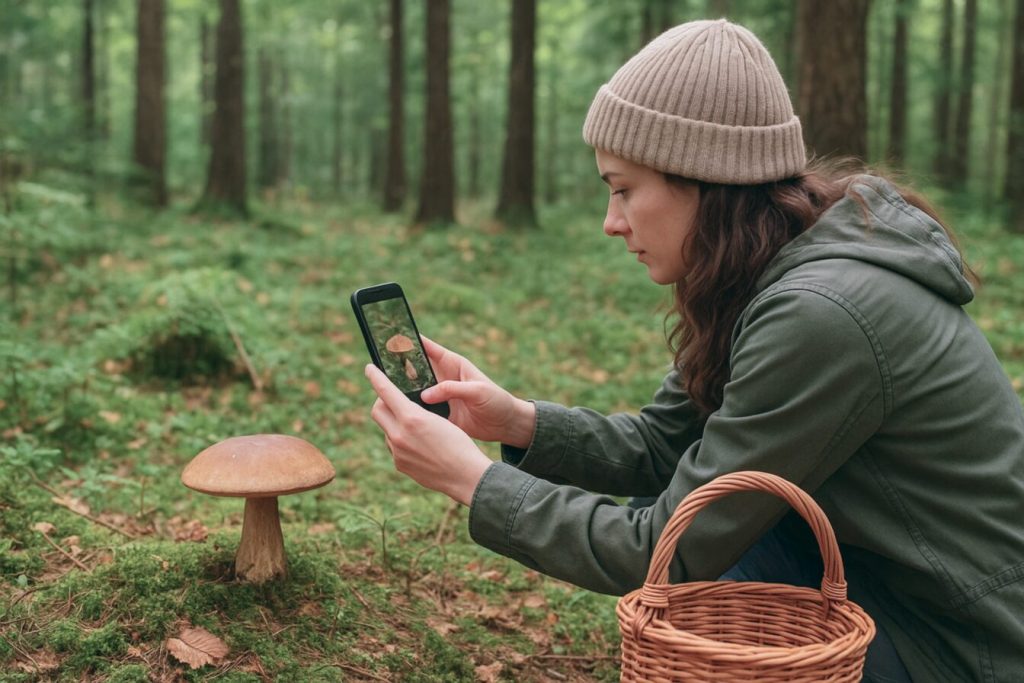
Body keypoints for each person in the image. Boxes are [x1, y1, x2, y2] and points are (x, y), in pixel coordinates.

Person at [364, 18, 1024, 682]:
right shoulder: (767, 269)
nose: (611, 220)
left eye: (624, 188)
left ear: (703, 177)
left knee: (701, 572)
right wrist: (517, 421)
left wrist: (473, 480)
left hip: (961, 644)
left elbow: (661, 548)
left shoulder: (822, 313)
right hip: (878, 587)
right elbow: (664, 447)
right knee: (716, 553)